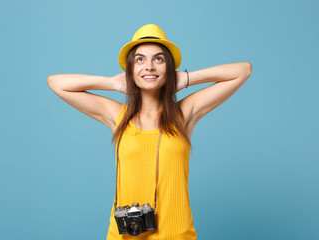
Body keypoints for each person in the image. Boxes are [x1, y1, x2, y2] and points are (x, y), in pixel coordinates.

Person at [47, 24, 252, 240]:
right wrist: (113, 83)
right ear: (131, 69)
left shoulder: (183, 113)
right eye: (140, 59)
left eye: (159, 59)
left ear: (168, 67)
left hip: (176, 235)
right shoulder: (118, 116)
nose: (149, 67)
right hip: (125, 234)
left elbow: (243, 70)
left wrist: (187, 78)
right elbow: (56, 83)